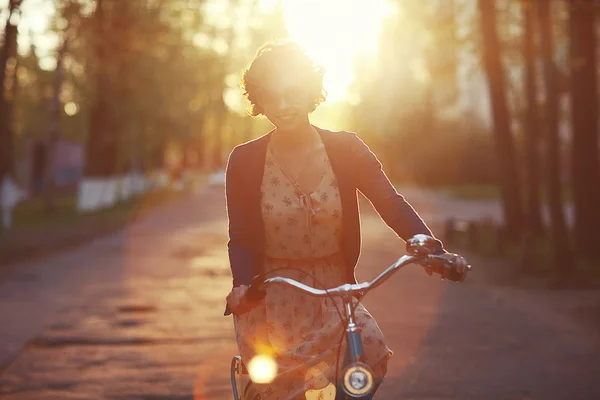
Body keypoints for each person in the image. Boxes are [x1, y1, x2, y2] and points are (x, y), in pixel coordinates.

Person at [224, 41, 470, 400]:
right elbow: (242, 235)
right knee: (278, 387)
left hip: (334, 292)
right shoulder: (244, 160)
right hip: (271, 296)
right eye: (272, 96)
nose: (284, 104)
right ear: (260, 101)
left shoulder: (346, 149)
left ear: (310, 91)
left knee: (367, 351)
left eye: (292, 92)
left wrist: (429, 248)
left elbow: (389, 201)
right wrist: (243, 285)